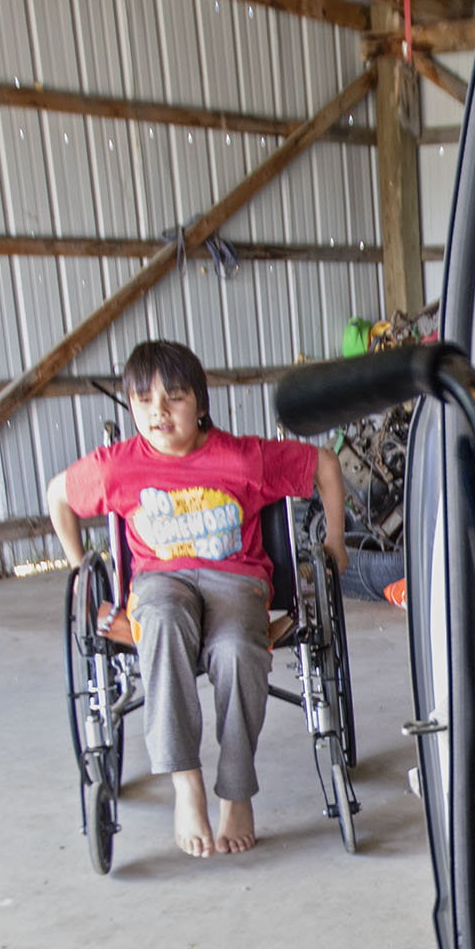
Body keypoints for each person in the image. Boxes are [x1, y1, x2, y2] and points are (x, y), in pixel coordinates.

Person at [46, 340, 346, 858]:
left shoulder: (242, 458)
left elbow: (323, 462)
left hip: (236, 580)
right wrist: (79, 567)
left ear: (200, 403)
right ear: (131, 406)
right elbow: (58, 494)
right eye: (144, 400)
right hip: (161, 583)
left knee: (235, 650)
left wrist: (335, 542)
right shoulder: (118, 466)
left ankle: (236, 793)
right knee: (160, 620)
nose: (158, 411)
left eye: (174, 397)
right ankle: (187, 787)